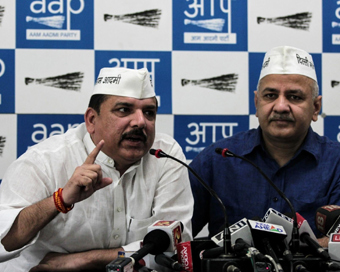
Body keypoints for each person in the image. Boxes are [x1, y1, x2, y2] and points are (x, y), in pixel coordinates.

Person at [0, 67, 194, 271]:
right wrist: (60, 200)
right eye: (124, 110)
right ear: (92, 120)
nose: (140, 122)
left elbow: (177, 247)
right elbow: (3, 243)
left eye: (149, 112)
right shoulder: (44, 161)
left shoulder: (164, 154)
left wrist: (85, 260)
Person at [189, 45, 340, 247]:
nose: (280, 107)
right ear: (256, 103)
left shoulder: (336, 163)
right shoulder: (218, 159)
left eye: (294, 97)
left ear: (316, 108)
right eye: (270, 96)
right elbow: (179, 233)